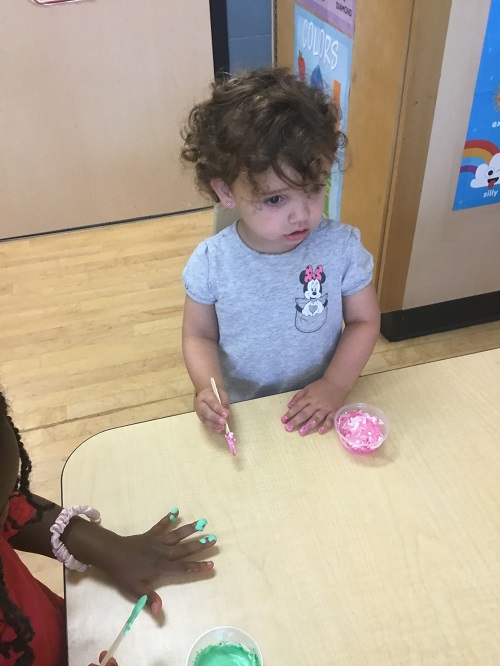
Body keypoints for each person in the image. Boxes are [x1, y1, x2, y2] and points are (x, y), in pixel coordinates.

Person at [181, 67, 380, 438]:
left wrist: (336, 385)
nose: (302, 213)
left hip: (320, 405)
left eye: (314, 188)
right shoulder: (212, 263)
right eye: (275, 198)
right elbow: (198, 336)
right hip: (244, 413)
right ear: (226, 191)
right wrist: (207, 388)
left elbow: (364, 322)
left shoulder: (342, 249)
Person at [0, 389, 217, 665]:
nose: (9, 507)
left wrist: (109, 549)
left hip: (66, 632)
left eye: (8, 495)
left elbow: (14, 513)